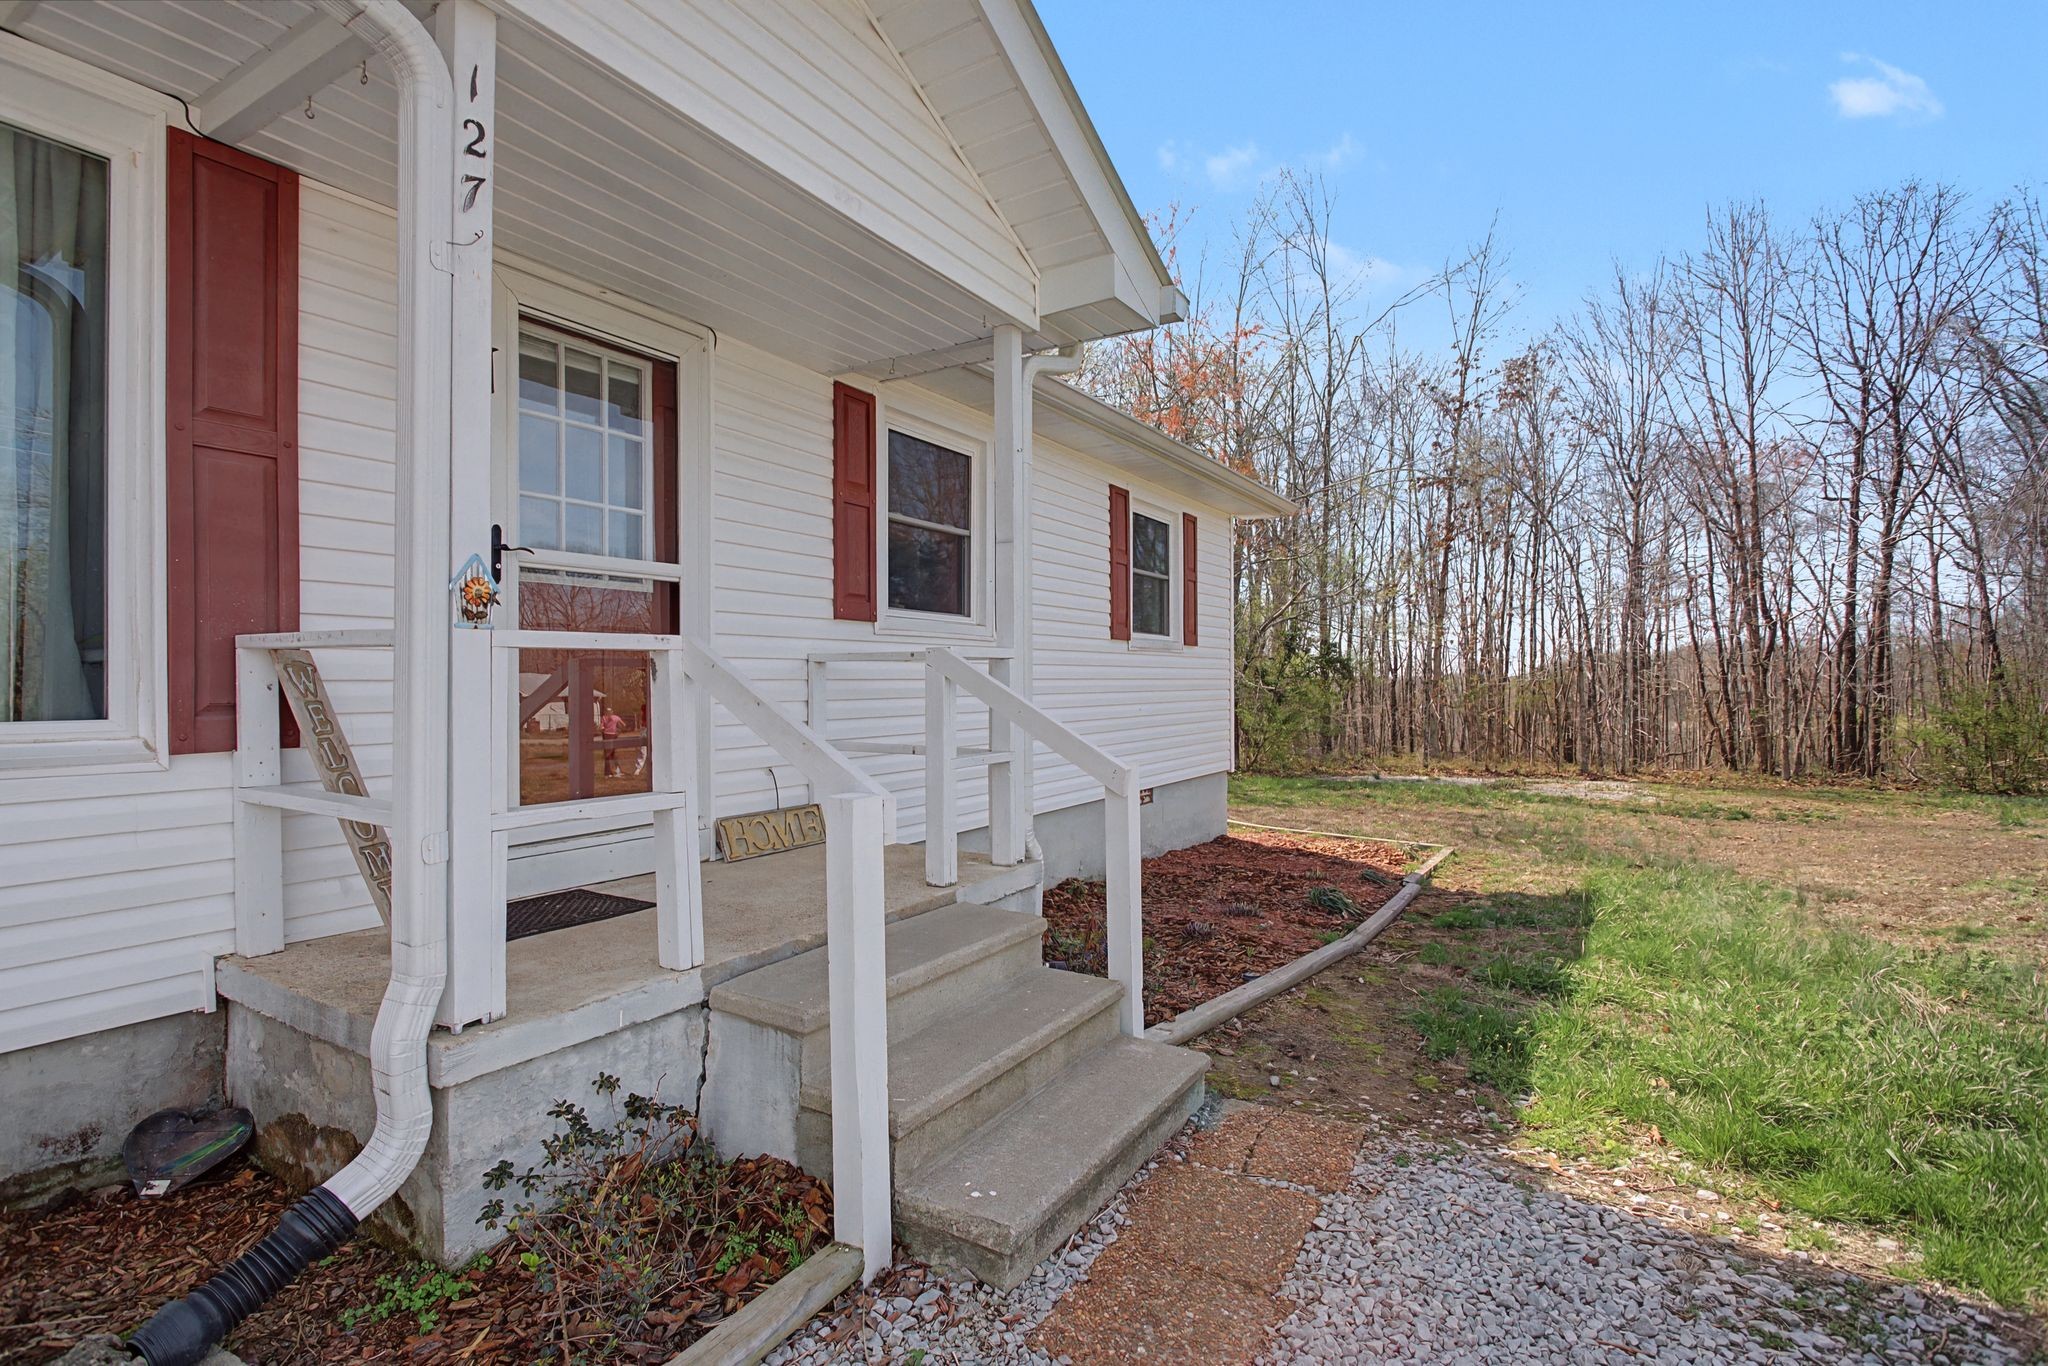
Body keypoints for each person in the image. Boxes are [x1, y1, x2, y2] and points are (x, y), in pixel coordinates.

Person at [599, 707, 626, 777]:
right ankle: (611, 772)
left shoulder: (604, 718)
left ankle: (610, 772)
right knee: (611, 754)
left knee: (608, 754)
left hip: (607, 735)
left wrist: (603, 729)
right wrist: (618, 731)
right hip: (613, 735)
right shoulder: (616, 717)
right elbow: (623, 725)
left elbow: (601, 727)